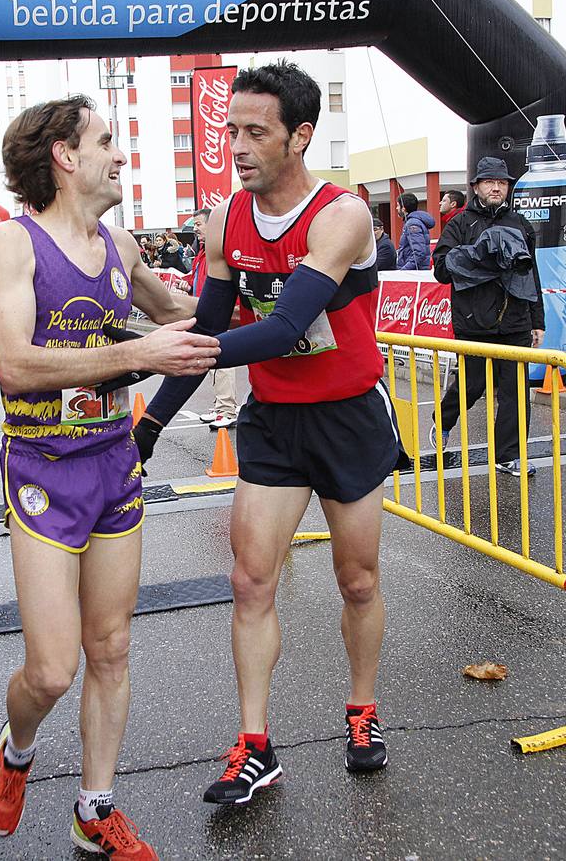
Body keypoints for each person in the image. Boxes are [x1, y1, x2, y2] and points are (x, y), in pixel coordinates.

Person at [134, 61, 398, 803]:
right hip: (275, 420)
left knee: (358, 580)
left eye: (256, 132)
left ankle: (362, 711)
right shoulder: (226, 221)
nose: (239, 147)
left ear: (300, 135)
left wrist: (146, 356)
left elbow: (282, 329)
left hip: (348, 413)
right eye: (231, 131)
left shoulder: (341, 215)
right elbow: (211, 330)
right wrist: (148, 426)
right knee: (250, 579)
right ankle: (255, 746)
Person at [0, 94, 218, 859]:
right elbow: (14, 367)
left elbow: (185, 314)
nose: (120, 155)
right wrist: (135, 354)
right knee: (52, 671)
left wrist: (242, 269)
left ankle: (95, 809)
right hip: (44, 470)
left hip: (114, 464)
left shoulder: (120, 244)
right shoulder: (11, 245)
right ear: (64, 155)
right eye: (107, 141)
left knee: (111, 649)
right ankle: (17, 753)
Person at [431, 156, 545, 477]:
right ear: (476, 186)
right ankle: (444, 419)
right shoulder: (459, 224)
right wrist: (481, 254)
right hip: (474, 322)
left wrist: (538, 321)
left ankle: (507, 455)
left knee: (516, 391)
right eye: (490, 182)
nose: (496, 188)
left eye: (502, 183)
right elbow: (441, 270)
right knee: (471, 386)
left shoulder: (520, 224)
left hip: (516, 323)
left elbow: (531, 274)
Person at [187, 206, 242, 429]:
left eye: (199, 224)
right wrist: (187, 284)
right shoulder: (202, 253)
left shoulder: (219, 251)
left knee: (222, 360)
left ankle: (227, 409)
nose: (195, 229)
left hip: (223, 313)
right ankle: (220, 405)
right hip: (207, 313)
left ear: (212, 224)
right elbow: (198, 280)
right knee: (212, 359)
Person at [395, 193, 434, 270]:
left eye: (398, 205)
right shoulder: (413, 221)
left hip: (414, 272)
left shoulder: (412, 223)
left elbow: (419, 252)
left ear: (403, 208)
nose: (396, 208)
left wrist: (404, 270)